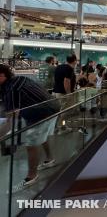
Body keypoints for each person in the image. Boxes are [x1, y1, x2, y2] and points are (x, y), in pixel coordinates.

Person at [0, 64, 61, 192]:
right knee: (41, 136)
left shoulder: (10, 89)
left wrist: (2, 136)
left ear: (2, 76)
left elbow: (11, 120)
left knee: (31, 143)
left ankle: (31, 177)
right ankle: (50, 159)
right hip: (53, 106)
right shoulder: (20, 79)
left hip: (42, 113)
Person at [53, 54, 78, 131]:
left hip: (56, 91)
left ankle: (55, 126)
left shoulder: (59, 67)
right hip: (63, 93)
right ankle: (63, 126)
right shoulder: (69, 68)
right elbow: (66, 81)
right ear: (74, 61)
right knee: (65, 112)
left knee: (58, 111)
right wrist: (69, 93)